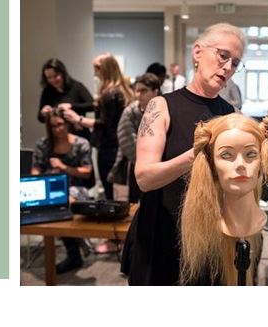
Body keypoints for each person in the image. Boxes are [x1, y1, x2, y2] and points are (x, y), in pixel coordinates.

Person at [121, 22, 243, 285]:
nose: (228, 67)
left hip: (209, 234)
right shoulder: (161, 106)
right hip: (161, 231)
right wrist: (196, 155)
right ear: (198, 53)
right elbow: (144, 177)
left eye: (235, 63)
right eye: (223, 56)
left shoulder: (231, 115)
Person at [179, 114, 268, 286]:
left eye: (250, 154)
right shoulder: (204, 243)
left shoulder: (258, 237)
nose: (240, 164)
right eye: (226, 155)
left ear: (261, 162)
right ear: (212, 165)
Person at [61, 53, 134, 201]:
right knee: (120, 191)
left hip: (109, 147)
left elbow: (104, 124)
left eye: (96, 68)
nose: (94, 72)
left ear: (104, 69)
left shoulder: (109, 93)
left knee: (111, 192)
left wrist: (78, 119)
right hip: (118, 146)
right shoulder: (119, 91)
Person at [31, 112, 93, 274]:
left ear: (68, 124)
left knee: (64, 201)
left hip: (76, 188)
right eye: (53, 126)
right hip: (48, 187)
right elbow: (36, 170)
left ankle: (73, 254)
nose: (58, 129)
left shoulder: (81, 143)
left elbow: (86, 172)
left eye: (61, 124)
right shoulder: (43, 144)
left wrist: (64, 167)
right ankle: (78, 243)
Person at [108, 73, 161, 203]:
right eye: (137, 91)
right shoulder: (130, 112)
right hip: (134, 166)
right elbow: (127, 141)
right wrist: (148, 162)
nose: (138, 95)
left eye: (143, 91)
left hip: (160, 168)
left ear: (155, 91)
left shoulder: (165, 111)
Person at [36, 58, 95, 141]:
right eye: (49, 78)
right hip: (58, 138)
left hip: (79, 136)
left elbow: (93, 105)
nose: (53, 80)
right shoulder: (47, 91)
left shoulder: (76, 87)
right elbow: (40, 118)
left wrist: (71, 106)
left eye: (56, 76)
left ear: (63, 73)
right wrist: (43, 113)